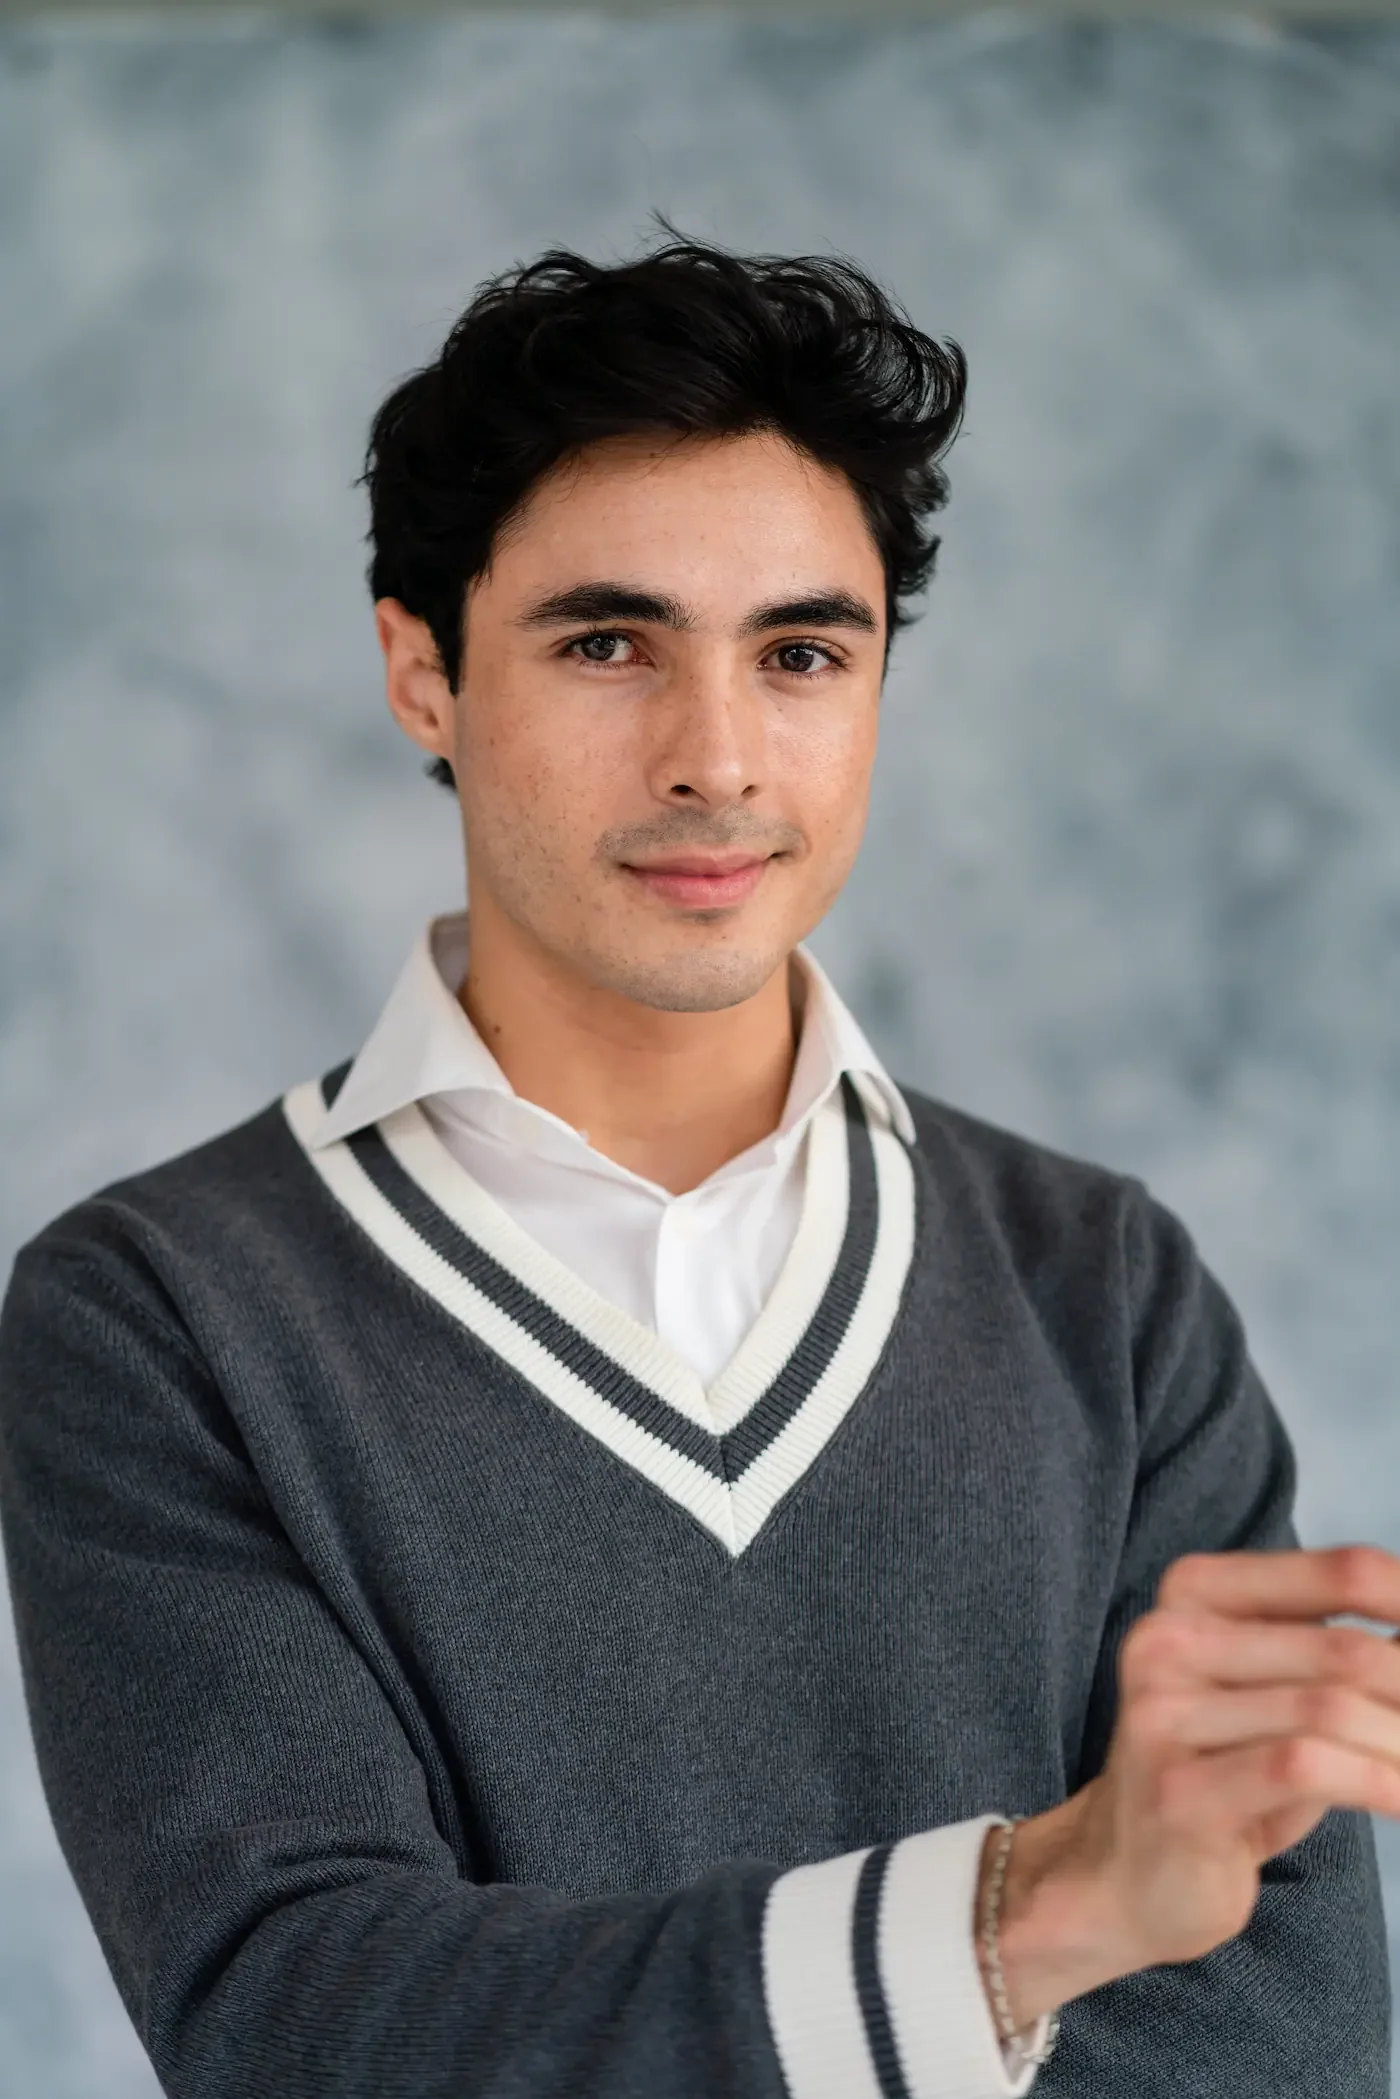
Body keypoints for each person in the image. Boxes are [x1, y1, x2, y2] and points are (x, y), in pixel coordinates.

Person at [0, 229, 1393, 2099]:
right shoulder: (159, 1314)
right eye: (607, 644)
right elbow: (306, 2019)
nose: (717, 758)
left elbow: (1287, 2030)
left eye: (800, 652)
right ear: (422, 673)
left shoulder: (1108, 1288)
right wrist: (1027, 1916)